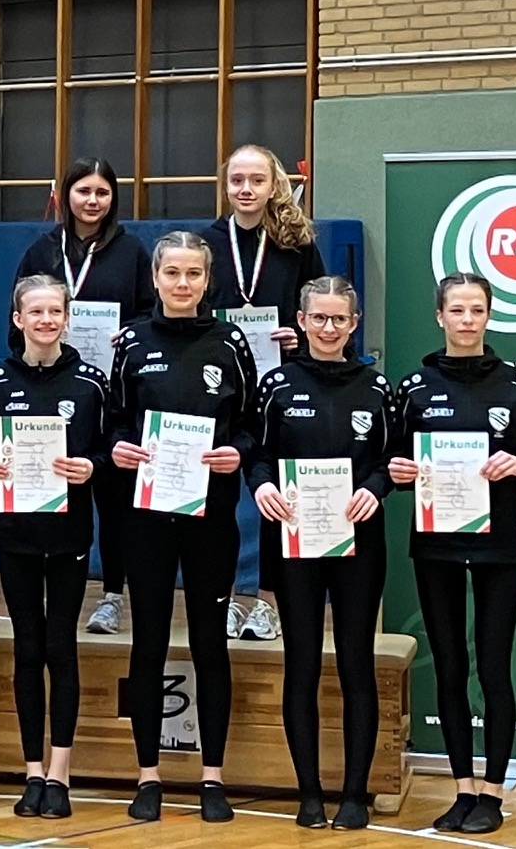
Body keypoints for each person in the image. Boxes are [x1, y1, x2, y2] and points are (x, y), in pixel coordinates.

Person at [388, 272, 516, 836]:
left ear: (489, 315)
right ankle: (461, 788)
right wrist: (400, 472)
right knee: (450, 666)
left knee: (493, 667)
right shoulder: (414, 387)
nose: (466, 320)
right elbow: (393, 461)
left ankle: (493, 793)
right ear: (439, 316)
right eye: (456, 310)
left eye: (476, 310)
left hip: (498, 547)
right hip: (436, 543)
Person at [107, 231, 257, 824]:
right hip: (146, 517)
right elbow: (114, 421)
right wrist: (120, 447)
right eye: (172, 273)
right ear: (156, 278)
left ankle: (212, 778)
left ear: (207, 279)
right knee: (147, 642)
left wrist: (237, 452)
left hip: (211, 517)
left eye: (193, 273)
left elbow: (251, 425)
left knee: (209, 642)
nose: (182, 283)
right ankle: (148, 776)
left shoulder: (230, 343)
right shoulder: (131, 343)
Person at [246, 276, 393, 830]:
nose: (329, 328)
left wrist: (375, 488)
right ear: (302, 321)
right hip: (295, 541)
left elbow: (394, 460)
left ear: (354, 324)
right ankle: (308, 794)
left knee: (357, 663)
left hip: (359, 542)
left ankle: (354, 794)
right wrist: (261, 485)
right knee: (301, 663)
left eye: (340, 319)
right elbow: (257, 453)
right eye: (319, 318)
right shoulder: (276, 384)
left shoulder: (376, 388)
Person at [0, 275, 109, 821]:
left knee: (61, 648)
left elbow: (109, 451)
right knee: (27, 650)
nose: (46, 320)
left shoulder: (91, 384)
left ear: (66, 318)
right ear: (18, 319)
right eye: (36, 312)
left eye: (55, 311)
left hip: (69, 536)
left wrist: (91, 467)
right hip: (16, 538)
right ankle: (32, 771)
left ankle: (61, 772)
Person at [13, 157, 151, 635]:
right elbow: (18, 315)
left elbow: (148, 315)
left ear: (114, 198)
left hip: (110, 390)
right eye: (83, 191)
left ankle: (112, 595)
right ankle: (42, 583)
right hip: (53, 388)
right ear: (66, 194)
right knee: (52, 482)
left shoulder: (131, 252)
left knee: (113, 495)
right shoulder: (42, 251)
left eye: (102, 192)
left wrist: (129, 334)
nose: (93, 201)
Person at [203, 144, 326, 641]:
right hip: (225, 387)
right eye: (237, 180)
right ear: (225, 185)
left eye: (257, 180)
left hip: (283, 384)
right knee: (223, 499)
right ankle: (231, 596)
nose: (246, 189)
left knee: (277, 494)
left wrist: (302, 336)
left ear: (274, 184)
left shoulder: (297, 243)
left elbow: (322, 306)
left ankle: (270, 600)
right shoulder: (209, 242)